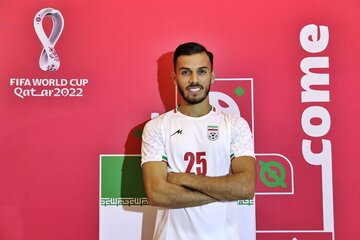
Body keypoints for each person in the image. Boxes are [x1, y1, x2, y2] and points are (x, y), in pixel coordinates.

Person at [141, 42, 256, 240]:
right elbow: (157, 194)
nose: (194, 80)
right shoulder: (157, 127)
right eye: (186, 72)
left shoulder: (235, 125)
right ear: (174, 78)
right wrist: (224, 191)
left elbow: (245, 187)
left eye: (201, 71)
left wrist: (184, 179)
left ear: (212, 75)